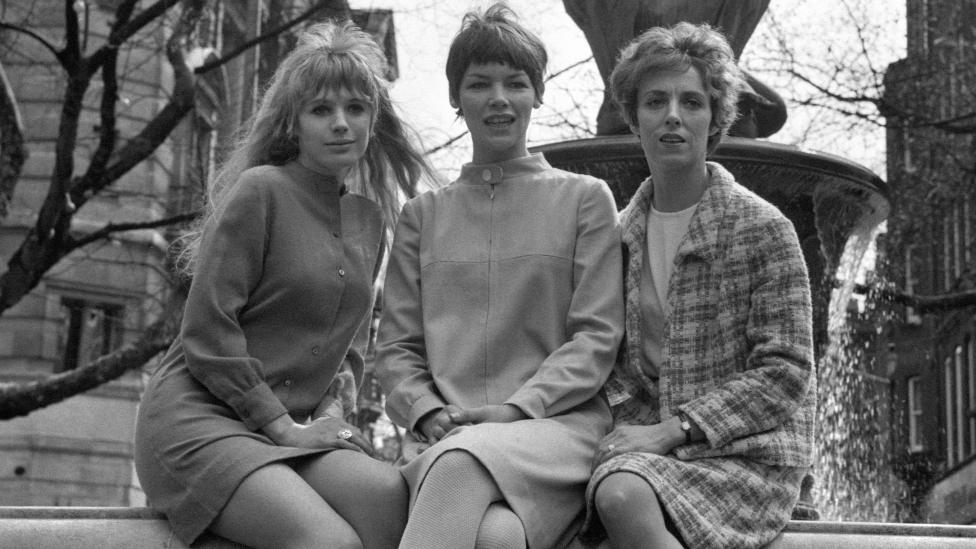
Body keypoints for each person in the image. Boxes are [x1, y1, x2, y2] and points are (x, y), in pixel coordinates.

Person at [134, 20, 433, 549]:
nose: (340, 124)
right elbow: (208, 331)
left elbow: (348, 354)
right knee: (329, 543)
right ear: (293, 124)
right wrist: (281, 426)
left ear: (372, 119)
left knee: (391, 500)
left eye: (355, 109)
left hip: (293, 428)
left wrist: (330, 420)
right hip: (201, 418)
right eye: (321, 111)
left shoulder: (368, 221)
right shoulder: (262, 191)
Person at [374, 4, 624, 549]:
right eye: (479, 84)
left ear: (538, 92)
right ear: (455, 97)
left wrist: (515, 410)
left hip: (558, 431)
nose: (499, 99)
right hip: (449, 435)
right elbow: (395, 349)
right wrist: (429, 413)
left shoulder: (584, 200)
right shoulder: (421, 215)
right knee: (498, 538)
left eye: (516, 83)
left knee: (463, 465)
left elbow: (597, 336)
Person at [580, 22, 815, 549]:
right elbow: (612, 370)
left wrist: (675, 430)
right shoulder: (618, 237)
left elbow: (786, 372)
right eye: (655, 101)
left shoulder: (762, 228)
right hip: (653, 449)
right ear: (633, 117)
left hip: (749, 454)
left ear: (714, 120)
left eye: (691, 102)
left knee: (619, 494)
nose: (672, 117)